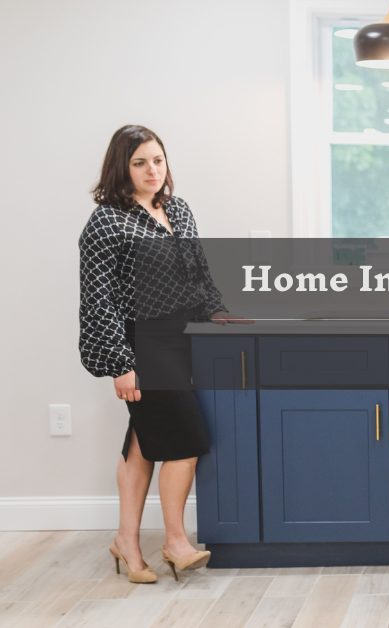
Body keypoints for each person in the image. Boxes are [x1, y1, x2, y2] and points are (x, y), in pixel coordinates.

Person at [79, 125, 244, 584]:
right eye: (139, 163)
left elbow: (199, 271)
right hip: (143, 346)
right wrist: (120, 364)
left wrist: (220, 312)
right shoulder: (107, 222)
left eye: (158, 160)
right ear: (121, 167)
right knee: (187, 444)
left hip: (185, 339)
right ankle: (175, 541)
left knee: (142, 448)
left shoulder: (178, 208)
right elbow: (99, 298)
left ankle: (126, 542)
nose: (152, 170)